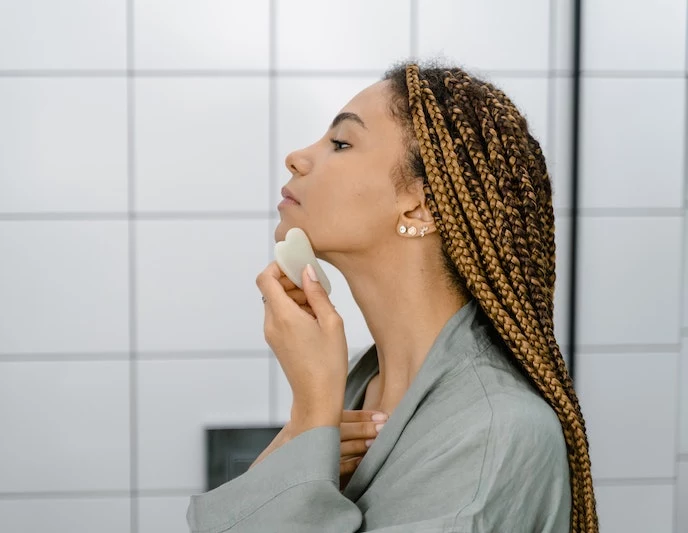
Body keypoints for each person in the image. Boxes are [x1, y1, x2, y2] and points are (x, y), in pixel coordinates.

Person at [186, 61, 598, 532]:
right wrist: (302, 438)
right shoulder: (361, 390)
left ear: (420, 204)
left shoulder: (495, 434)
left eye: (340, 144)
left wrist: (312, 410)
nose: (297, 157)